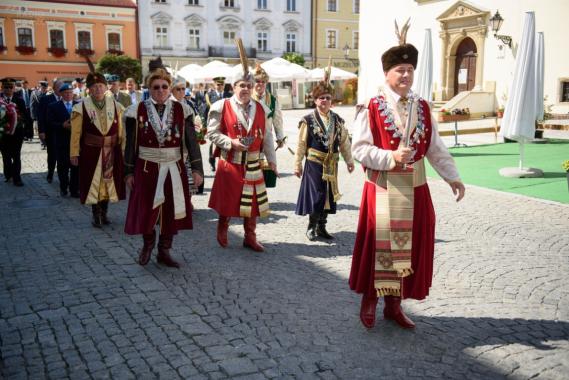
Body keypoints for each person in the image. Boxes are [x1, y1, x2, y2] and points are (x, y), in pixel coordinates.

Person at [349, 20, 466, 330]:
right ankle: (371, 299)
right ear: (387, 73)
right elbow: (359, 149)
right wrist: (390, 156)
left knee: (410, 248)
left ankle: (394, 305)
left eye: (410, 70)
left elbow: (435, 147)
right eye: (400, 70)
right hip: (384, 189)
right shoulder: (370, 105)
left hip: (415, 187)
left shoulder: (423, 106)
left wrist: (452, 176)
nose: (405, 75)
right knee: (381, 247)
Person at [124, 68, 203, 268]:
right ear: (149, 89)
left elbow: (191, 142)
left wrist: (197, 169)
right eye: (156, 87)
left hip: (173, 168)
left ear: (170, 88)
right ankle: (147, 245)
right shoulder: (137, 110)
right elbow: (130, 144)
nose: (160, 90)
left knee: (170, 210)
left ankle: (164, 250)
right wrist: (129, 171)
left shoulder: (182, 110)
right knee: (147, 209)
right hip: (146, 168)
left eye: (164, 87)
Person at [207, 38, 278, 252]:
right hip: (230, 162)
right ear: (233, 86)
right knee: (228, 201)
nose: (246, 89)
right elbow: (211, 133)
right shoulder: (222, 106)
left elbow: (267, 137)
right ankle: (223, 227)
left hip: (254, 163)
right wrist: (231, 142)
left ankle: (250, 236)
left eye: (249, 85)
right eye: (241, 85)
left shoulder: (262, 109)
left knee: (253, 203)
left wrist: (272, 161)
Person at [294, 63, 355, 241]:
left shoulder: (338, 120)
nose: (324, 101)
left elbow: (344, 142)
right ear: (315, 100)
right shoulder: (308, 120)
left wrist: (349, 161)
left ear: (332, 101)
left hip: (332, 164)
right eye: (321, 98)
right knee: (317, 194)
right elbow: (301, 144)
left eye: (327, 98)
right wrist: (297, 164)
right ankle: (311, 226)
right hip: (314, 163)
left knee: (329, 195)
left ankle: (322, 227)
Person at [70, 72, 126, 227]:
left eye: (100, 86)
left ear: (106, 87)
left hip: (111, 150)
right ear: (88, 89)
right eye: (94, 87)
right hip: (91, 151)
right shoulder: (80, 107)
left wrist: (123, 149)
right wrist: (74, 153)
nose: (98, 89)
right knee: (94, 183)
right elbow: (75, 133)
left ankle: (104, 213)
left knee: (108, 182)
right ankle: (96, 214)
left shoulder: (116, 105)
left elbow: (121, 131)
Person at [170, 75, 205, 198]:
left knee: (189, 176)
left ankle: (188, 200)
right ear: (171, 90)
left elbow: (195, 122)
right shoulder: (168, 105)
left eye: (183, 89)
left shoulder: (189, 104)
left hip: (188, 146)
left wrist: (198, 132)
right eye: (177, 89)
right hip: (174, 147)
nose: (181, 92)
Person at [47, 83, 79, 197]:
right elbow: (50, 123)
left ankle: (74, 190)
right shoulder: (54, 106)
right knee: (62, 167)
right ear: (61, 94)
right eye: (66, 93)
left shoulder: (78, 105)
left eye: (70, 93)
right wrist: (62, 125)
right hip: (61, 142)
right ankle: (63, 188)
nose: (68, 95)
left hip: (76, 142)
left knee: (76, 167)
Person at [0, 78, 27, 186]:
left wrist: (18, 120)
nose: (8, 89)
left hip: (17, 133)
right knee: (5, 156)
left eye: (10, 87)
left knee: (16, 156)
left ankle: (17, 178)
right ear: (2, 88)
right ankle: (8, 174)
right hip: (2, 133)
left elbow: (25, 115)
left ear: (14, 88)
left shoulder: (19, 99)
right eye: (6, 87)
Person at [38, 79, 63, 183]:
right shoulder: (45, 99)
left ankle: (63, 174)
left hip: (64, 132)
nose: (61, 90)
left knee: (63, 155)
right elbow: (41, 116)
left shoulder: (67, 98)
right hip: (50, 131)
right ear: (54, 88)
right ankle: (50, 173)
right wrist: (41, 131)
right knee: (52, 154)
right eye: (59, 88)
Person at [205, 77, 231, 171]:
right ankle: (212, 162)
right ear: (214, 85)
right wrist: (205, 125)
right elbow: (206, 110)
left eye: (222, 84)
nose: (220, 86)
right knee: (212, 144)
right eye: (218, 84)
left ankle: (224, 162)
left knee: (225, 143)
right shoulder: (209, 95)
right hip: (214, 124)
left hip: (227, 124)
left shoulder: (229, 95)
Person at [31, 81, 49, 148]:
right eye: (43, 87)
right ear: (40, 87)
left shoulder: (49, 93)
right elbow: (32, 105)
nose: (44, 89)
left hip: (48, 115)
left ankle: (46, 142)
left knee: (47, 129)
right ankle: (42, 143)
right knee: (40, 129)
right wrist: (33, 116)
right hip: (39, 115)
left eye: (45, 87)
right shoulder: (34, 93)